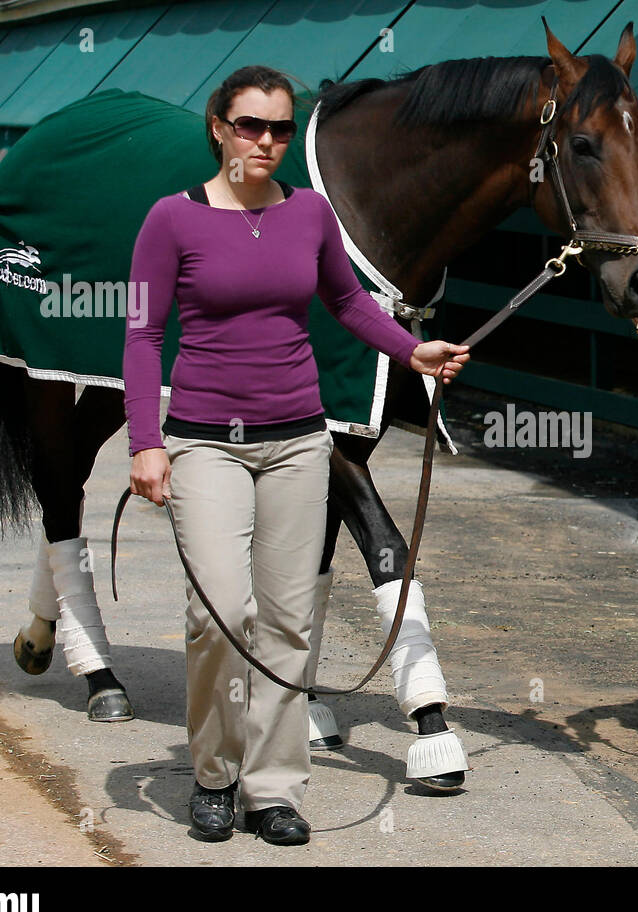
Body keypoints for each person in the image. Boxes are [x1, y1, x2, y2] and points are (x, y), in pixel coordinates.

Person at [124, 65, 470, 844]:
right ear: (218, 126)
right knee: (220, 615)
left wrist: (414, 352)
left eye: (280, 128)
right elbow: (142, 334)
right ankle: (213, 772)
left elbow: (347, 302)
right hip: (206, 444)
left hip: (297, 445)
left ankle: (272, 789)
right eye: (251, 125)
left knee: (286, 624)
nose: (266, 142)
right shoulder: (170, 221)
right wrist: (147, 442)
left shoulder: (311, 214)